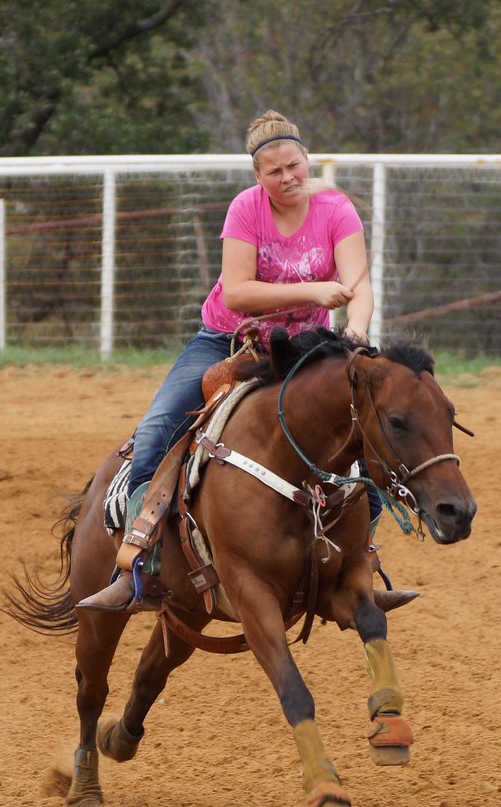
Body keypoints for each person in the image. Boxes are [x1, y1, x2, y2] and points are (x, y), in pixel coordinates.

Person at [79, 110, 407, 612]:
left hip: (308, 350)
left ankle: (356, 561)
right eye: (274, 172)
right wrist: (314, 288)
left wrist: (357, 333)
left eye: (294, 165)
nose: (288, 177)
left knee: (364, 445)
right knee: (158, 429)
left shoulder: (337, 209)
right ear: (258, 176)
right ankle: (137, 564)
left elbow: (358, 284)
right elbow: (236, 293)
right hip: (228, 341)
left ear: (306, 159)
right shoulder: (245, 210)